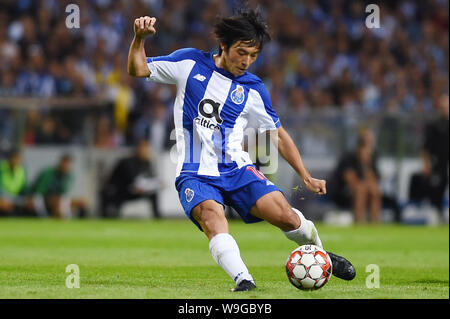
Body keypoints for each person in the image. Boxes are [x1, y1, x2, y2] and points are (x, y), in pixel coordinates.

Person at [127, 8, 355, 292]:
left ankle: (322, 256)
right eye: (241, 52)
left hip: (237, 169)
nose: (246, 61)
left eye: (253, 55)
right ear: (224, 45)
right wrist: (139, 39)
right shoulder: (189, 63)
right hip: (195, 172)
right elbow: (138, 69)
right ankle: (243, 279)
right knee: (212, 217)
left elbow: (279, 135)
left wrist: (305, 175)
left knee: (285, 216)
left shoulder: (254, 89)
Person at [329, 129, 401, 223]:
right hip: (344, 192)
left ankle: (375, 223)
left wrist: (366, 164)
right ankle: (359, 222)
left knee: (375, 191)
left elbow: (373, 180)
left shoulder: (373, 158)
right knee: (360, 190)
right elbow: (351, 180)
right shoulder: (349, 156)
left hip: (365, 190)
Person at [409, 93, 449, 219]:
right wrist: (426, 164)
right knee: (438, 187)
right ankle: (436, 212)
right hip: (439, 163)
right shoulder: (435, 125)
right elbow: (425, 148)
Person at [100, 139, 161, 218]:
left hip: (134, 191)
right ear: (139, 149)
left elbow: (150, 178)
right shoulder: (128, 162)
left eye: (148, 149)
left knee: (153, 194)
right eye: (144, 149)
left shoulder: (147, 163)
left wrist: (157, 184)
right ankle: (109, 217)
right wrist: (140, 187)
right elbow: (131, 180)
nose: (147, 152)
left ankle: (157, 217)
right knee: (110, 200)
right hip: (119, 190)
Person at [30, 154, 87, 218]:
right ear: (60, 163)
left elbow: (64, 193)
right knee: (58, 202)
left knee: (82, 202)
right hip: (43, 198)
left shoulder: (69, 176)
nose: (66, 166)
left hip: (59, 199)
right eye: (65, 163)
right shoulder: (48, 173)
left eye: (69, 164)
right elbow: (39, 191)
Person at [0, 149, 34, 216]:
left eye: (18, 159)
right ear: (9, 159)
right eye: (14, 159)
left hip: (16, 198)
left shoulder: (22, 170)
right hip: (3, 197)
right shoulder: (1, 168)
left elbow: (25, 187)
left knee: (31, 204)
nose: (15, 161)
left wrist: (29, 196)